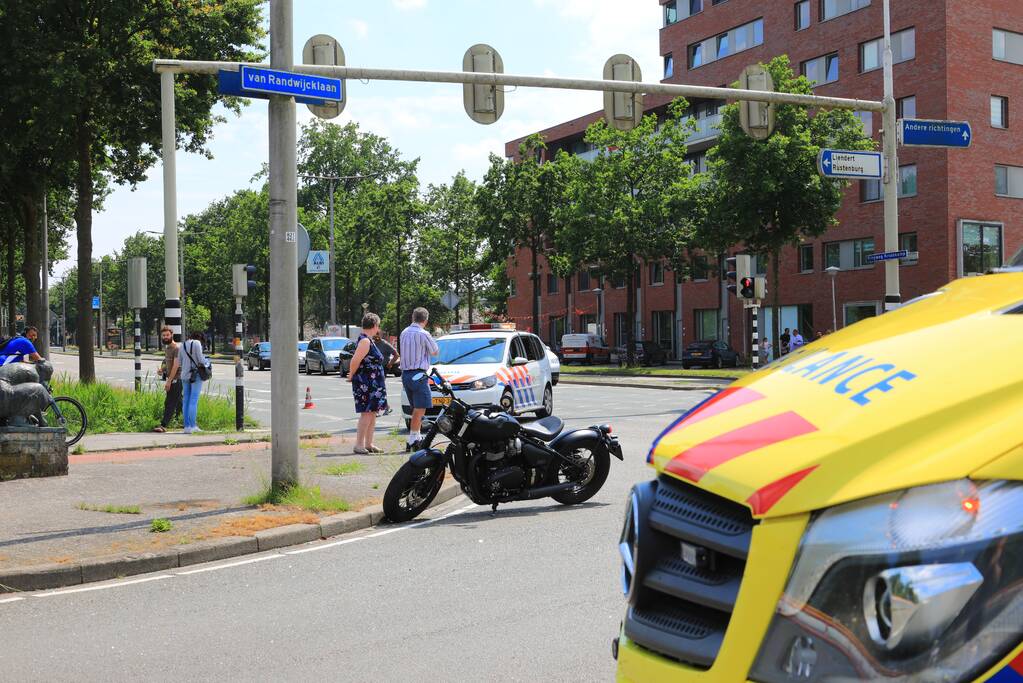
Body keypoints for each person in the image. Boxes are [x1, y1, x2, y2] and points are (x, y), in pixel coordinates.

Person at [347, 313, 389, 454]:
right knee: (366, 413)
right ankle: (359, 445)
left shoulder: (368, 340)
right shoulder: (365, 341)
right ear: (375, 325)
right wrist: (351, 375)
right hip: (367, 384)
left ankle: (369, 443)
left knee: (372, 413)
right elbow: (355, 360)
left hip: (373, 384)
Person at [399, 307, 439, 452]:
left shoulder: (404, 332)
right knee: (420, 407)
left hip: (406, 374)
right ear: (426, 320)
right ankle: (413, 438)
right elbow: (435, 351)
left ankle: (415, 437)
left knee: (415, 407)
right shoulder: (423, 334)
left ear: (412, 318)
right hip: (418, 374)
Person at [167, 331, 208, 434]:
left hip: (184, 375)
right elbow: (201, 360)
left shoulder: (182, 345)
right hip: (195, 375)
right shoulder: (197, 344)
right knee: (194, 400)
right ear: (200, 338)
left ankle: (187, 426)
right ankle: (193, 426)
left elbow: (179, 361)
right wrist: (207, 362)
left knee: (186, 400)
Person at [153, 326, 181, 433]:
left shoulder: (177, 348)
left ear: (172, 335)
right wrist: (162, 370)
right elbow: (168, 364)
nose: (165, 337)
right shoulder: (167, 348)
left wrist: (169, 381)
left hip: (177, 379)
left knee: (169, 402)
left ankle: (163, 425)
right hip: (173, 379)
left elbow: (176, 366)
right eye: (163, 335)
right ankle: (183, 422)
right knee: (179, 403)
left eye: (167, 335)